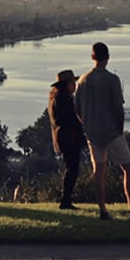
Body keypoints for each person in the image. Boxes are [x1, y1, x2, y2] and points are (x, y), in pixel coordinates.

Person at [73, 41, 130, 221]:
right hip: (112, 131)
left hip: (92, 132)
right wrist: (119, 129)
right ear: (108, 57)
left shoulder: (82, 80)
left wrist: (87, 124)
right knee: (129, 169)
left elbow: (77, 108)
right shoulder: (111, 80)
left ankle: (103, 210)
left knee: (98, 170)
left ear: (92, 57)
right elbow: (117, 108)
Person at [48, 69, 86, 210]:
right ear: (66, 84)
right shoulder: (63, 100)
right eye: (72, 83)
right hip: (69, 139)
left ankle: (67, 199)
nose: (74, 85)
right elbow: (71, 120)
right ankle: (66, 200)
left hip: (66, 139)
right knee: (72, 169)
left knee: (72, 169)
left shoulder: (57, 99)